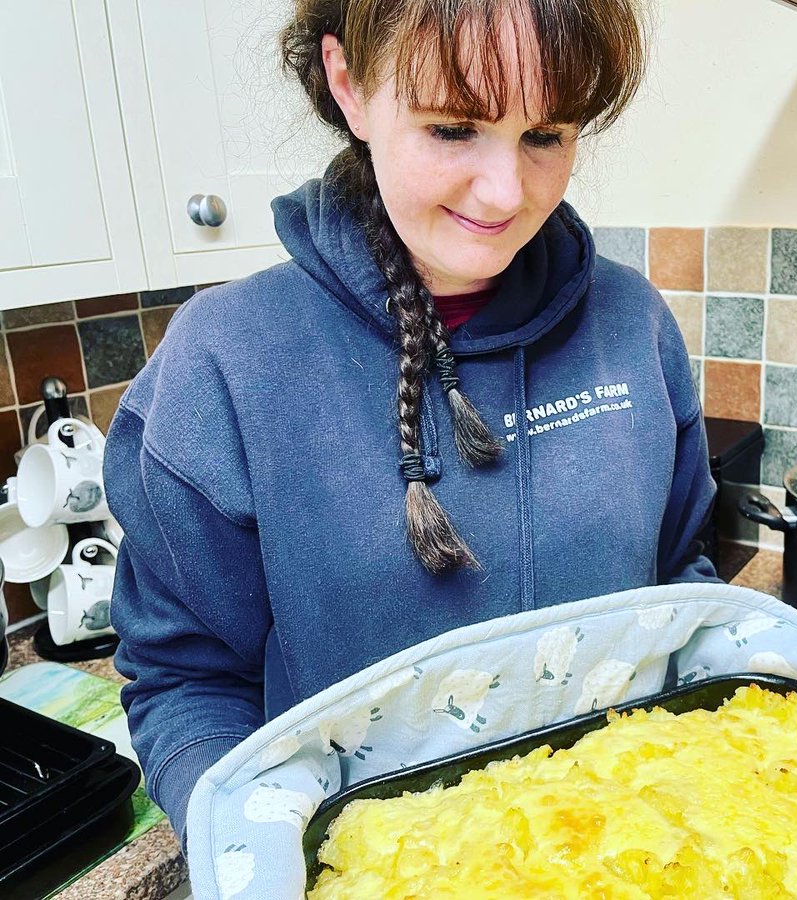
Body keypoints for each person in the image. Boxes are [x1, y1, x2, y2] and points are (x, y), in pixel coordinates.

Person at [107, 0, 718, 844]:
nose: (505, 191)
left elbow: (678, 580)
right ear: (349, 84)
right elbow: (185, 680)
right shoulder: (226, 361)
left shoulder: (634, 324)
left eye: (547, 135)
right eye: (454, 127)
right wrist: (255, 849)